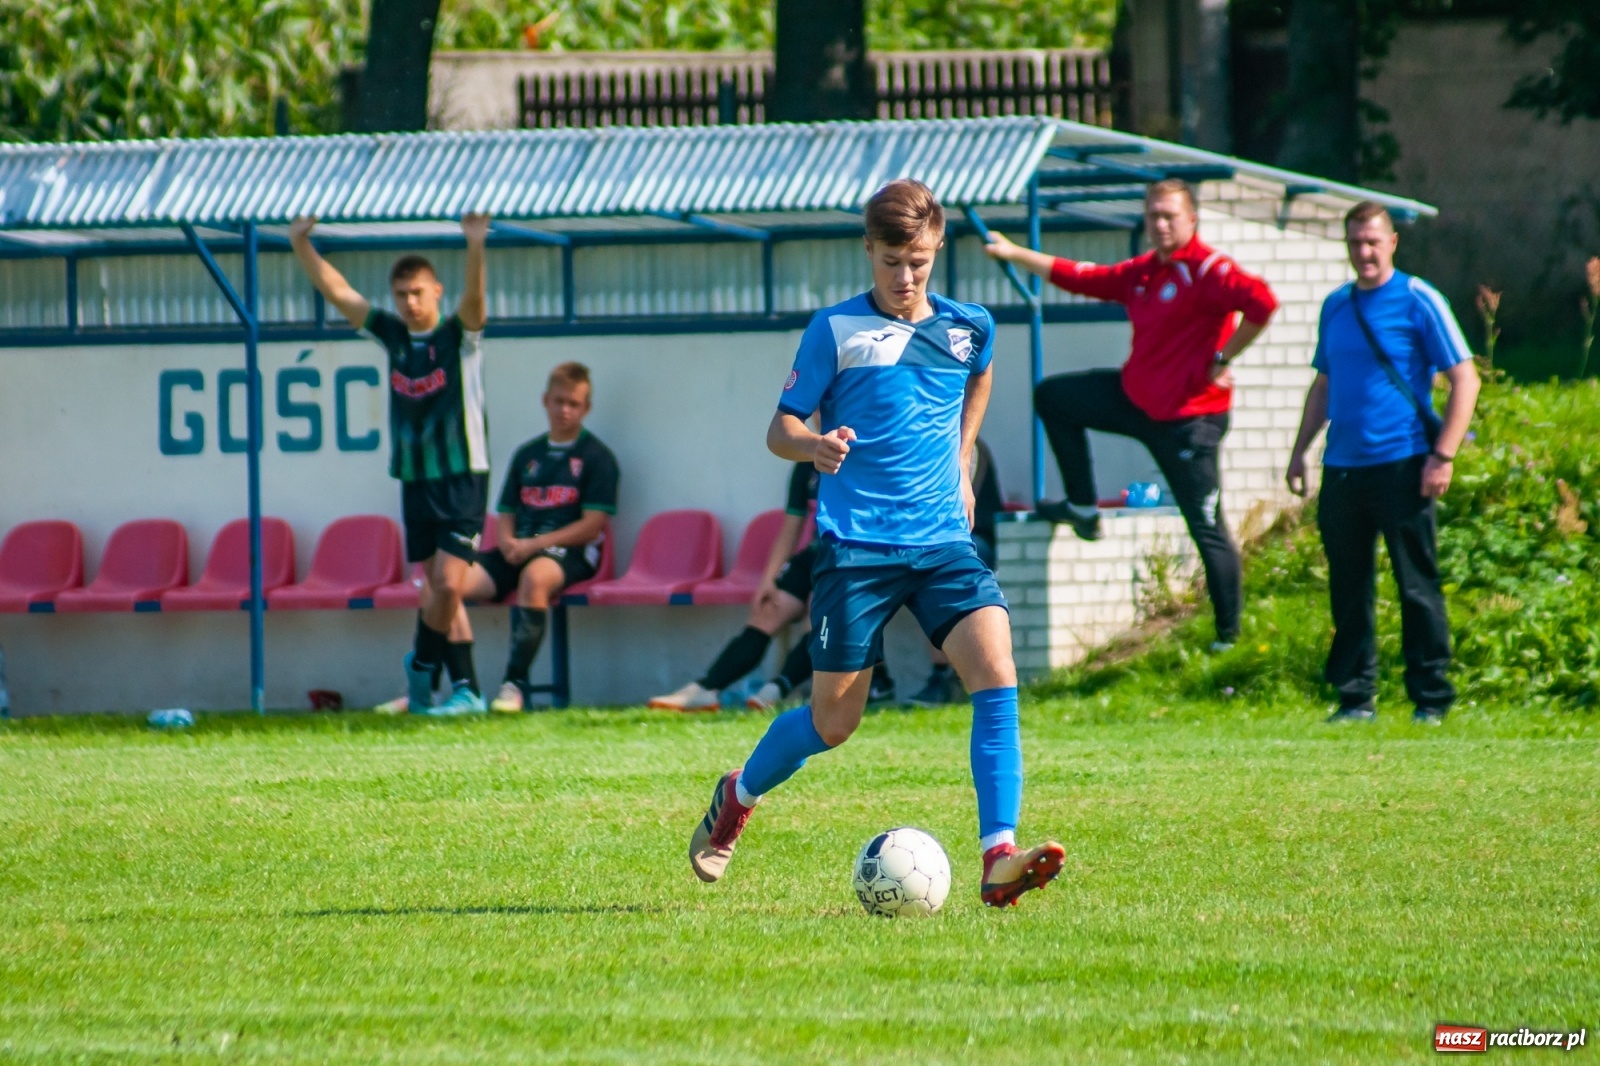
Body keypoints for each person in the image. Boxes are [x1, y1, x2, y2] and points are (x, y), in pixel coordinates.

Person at [686, 178, 1064, 908]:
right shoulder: (834, 330)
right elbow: (780, 428)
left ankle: (998, 856)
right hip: (856, 549)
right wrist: (814, 446)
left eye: (918, 261)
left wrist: (963, 457)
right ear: (868, 250)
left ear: (937, 249)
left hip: (942, 543)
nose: (905, 277)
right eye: (892, 262)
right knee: (834, 723)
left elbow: (981, 375)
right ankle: (738, 795)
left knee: (996, 672)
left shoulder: (970, 326)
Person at [983, 179, 1278, 649]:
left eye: (1169, 216)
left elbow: (1263, 304)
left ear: (1192, 219)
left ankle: (1229, 639)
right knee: (1055, 397)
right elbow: (1083, 276)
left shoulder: (1208, 269)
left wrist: (1224, 357)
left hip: (1188, 419)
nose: (1160, 224)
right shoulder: (1145, 272)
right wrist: (1015, 253)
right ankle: (1083, 506)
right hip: (1137, 401)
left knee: (1206, 526)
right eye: (1153, 215)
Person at [290, 213, 492, 716]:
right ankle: (465, 690)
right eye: (401, 294)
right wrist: (299, 243)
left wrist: (475, 245)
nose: (409, 302)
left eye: (417, 292)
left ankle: (421, 670)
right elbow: (339, 292)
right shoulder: (394, 337)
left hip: (462, 476)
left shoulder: (458, 337)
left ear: (436, 291)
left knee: (449, 584)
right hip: (414, 479)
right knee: (437, 592)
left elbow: (475, 303)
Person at [1286, 201, 1480, 724]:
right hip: (1343, 467)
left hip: (1405, 462)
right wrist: (1300, 451)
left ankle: (1430, 698)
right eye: (1355, 242)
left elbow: (1465, 378)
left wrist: (1443, 456)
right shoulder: (1336, 305)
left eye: (1373, 241)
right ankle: (1355, 697)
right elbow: (1324, 385)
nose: (1364, 252)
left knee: (1416, 583)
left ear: (1392, 242)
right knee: (1348, 586)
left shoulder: (1419, 299)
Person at [647, 461, 894, 713]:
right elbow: (791, 527)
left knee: (818, 616)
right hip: (815, 555)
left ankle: (776, 690)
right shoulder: (806, 465)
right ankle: (706, 689)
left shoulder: (870, 457)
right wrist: (768, 580)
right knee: (769, 610)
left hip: (855, 559)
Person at [462, 362, 619, 713]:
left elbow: (592, 526)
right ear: (545, 400)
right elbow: (506, 510)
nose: (565, 410)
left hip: (571, 554)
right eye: (559, 401)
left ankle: (513, 685)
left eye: (574, 404)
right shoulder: (527, 455)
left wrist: (533, 545)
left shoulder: (598, 458)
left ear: (586, 408)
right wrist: (506, 541)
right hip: (518, 548)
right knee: (447, 582)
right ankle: (448, 687)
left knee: (535, 578)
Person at [906, 436, 1004, 706]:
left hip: (974, 538)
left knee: (933, 576)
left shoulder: (965, 446)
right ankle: (878, 679)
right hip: (938, 539)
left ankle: (944, 677)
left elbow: (949, 507)